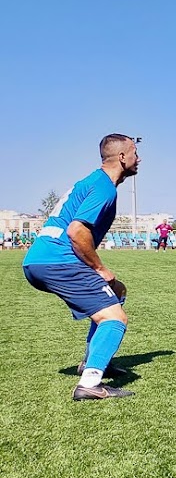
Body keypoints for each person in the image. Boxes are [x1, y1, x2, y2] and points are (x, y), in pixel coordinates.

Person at [22, 134, 141, 401]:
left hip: (41, 259)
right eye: (135, 151)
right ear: (122, 157)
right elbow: (77, 231)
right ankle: (90, 383)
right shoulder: (104, 187)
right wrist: (100, 268)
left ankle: (95, 361)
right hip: (58, 260)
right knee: (114, 318)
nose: (139, 158)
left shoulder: (92, 181)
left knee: (117, 292)